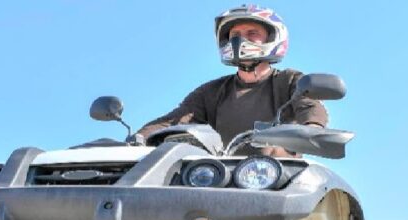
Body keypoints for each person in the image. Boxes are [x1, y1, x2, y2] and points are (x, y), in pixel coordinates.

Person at [136, 4, 328, 157]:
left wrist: (313, 129)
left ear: (273, 37)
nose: (240, 41)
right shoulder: (211, 91)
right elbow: (174, 120)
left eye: (252, 33)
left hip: (280, 175)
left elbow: (309, 105)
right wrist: (140, 138)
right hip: (223, 177)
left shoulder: (289, 80)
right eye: (235, 35)